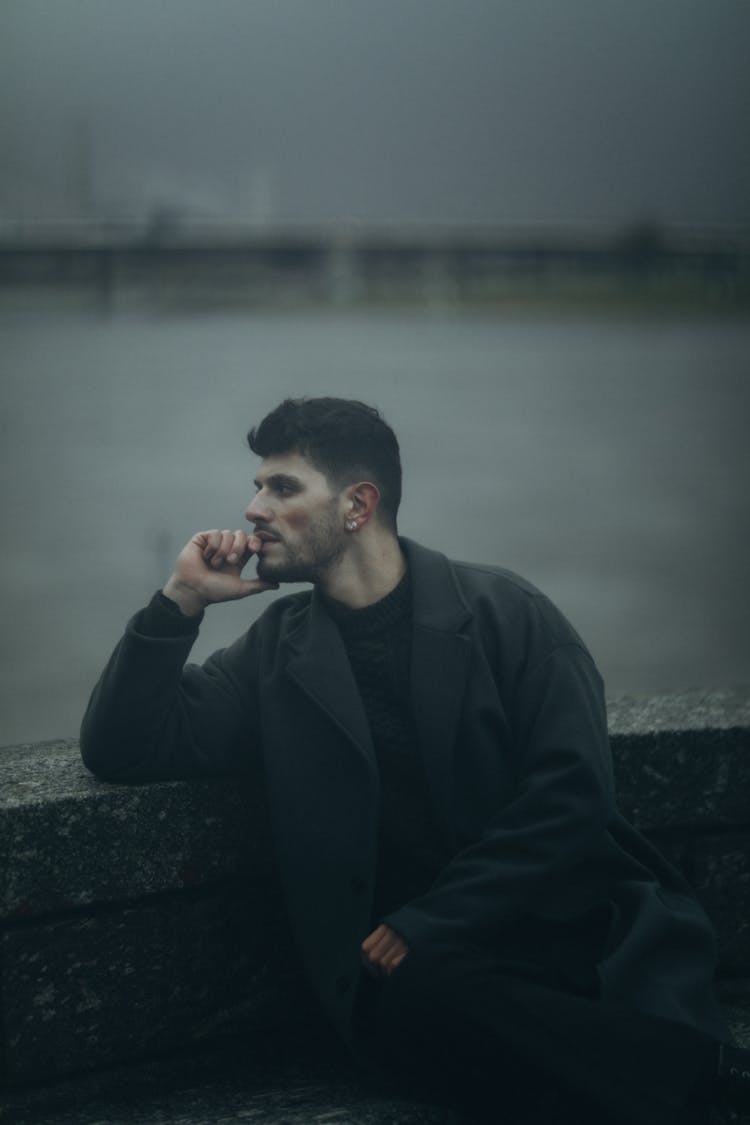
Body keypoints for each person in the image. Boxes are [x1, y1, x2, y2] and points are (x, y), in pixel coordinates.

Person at [81, 397, 747, 1124]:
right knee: (423, 1003)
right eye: (257, 486)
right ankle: (696, 1078)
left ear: (359, 504)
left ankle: (701, 1078)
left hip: (563, 928)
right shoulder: (276, 651)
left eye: (281, 487)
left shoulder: (507, 612)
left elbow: (573, 796)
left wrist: (431, 920)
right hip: (418, 982)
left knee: (466, 1017)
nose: (253, 508)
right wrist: (179, 600)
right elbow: (123, 747)